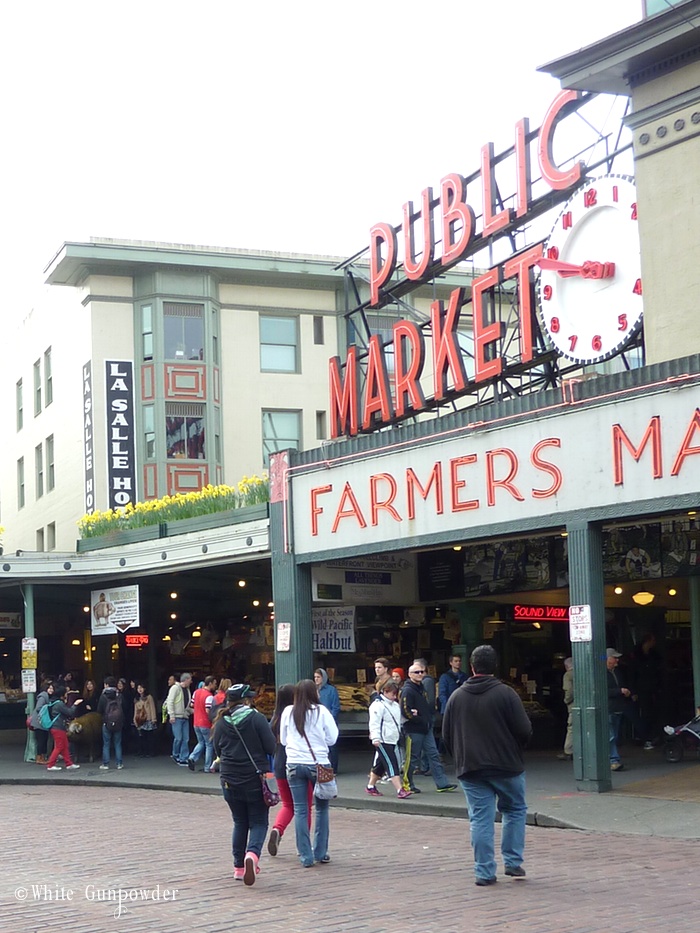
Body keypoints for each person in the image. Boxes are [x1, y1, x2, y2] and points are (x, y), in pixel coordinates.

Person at [442, 644, 532, 886]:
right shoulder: (507, 694)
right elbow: (524, 730)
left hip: (470, 768)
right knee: (514, 810)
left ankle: (484, 872)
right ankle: (512, 861)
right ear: (495, 666)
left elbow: (446, 734)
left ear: (471, 667)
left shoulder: (457, 696)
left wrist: (459, 757)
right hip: (506, 765)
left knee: (480, 819)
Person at [213, 683, 276, 885]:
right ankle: (252, 855)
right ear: (245, 700)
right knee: (258, 821)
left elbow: (218, 750)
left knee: (239, 821)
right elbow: (271, 747)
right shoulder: (256, 718)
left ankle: (239, 867)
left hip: (229, 779)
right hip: (254, 778)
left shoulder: (222, 721)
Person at [280, 679, 339, 868]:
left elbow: (282, 739)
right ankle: (320, 852)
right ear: (315, 693)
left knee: (300, 809)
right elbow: (332, 738)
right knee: (322, 808)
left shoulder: (288, 712)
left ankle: (305, 856)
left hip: (294, 764)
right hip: (319, 764)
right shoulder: (322, 712)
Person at [268, 684, 312, 859]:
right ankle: (304, 846)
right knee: (305, 807)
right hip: (298, 761)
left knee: (288, 805)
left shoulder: (275, 719)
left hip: (279, 764)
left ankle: (277, 829)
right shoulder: (297, 715)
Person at [400, 663, 457, 794]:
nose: (420, 674)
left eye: (422, 672)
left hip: (426, 728)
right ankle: (407, 784)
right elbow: (405, 710)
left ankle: (442, 784)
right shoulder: (408, 690)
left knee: (434, 755)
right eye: (416, 672)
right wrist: (418, 718)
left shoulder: (421, 688)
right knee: (412, 758)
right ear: (409, 674)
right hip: (413, 730)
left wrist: (423, 718)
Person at [365, 680, 412, 799]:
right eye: (393, 693)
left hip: (392, 739)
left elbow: (399, 720)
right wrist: (375, 737)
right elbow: (374, 723)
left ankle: (371, 786)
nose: (395, 696)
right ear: (385, 692)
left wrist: (411, 714)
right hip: (382, 740)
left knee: (380, 765)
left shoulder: (395, 705)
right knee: (392, 764)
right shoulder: (377, 705)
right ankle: (399, 789)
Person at [606, 648, 645, 771]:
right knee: (611, 735)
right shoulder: (601, 674)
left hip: (617, 707)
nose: (617, 660)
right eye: (614, 658)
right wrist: (620, 691)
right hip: (609, 708)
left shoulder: (617, 672)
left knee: (614, 735)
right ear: (608, 659)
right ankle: (613, 760)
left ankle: (609, 758)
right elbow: (603, 691)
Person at [45, 685, 83, 771]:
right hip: (58, 727)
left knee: (65, 745)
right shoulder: (59, 704)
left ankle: (68, 763)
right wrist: (75, 704)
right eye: (66, 693)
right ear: (62, 694)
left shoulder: (53, 702)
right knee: (59, 747)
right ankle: (51, 765)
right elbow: (70, 712)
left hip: (56, 727)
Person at [188, 675, 218, 772]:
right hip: (205, 723)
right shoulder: (209, 696)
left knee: (201, 742)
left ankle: (192, 757)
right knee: (209, 744)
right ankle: (207, 767)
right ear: (210, 683)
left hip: (196, 722)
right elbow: (208, 710)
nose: (215, 686)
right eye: (214, 684)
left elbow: (192, 704)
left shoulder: (196, 692)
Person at [314, 668, 340, 772]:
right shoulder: (313, 690)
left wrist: (331, 720)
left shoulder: (331, 690)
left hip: (329, 721)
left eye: (318, 677)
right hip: (316, 722)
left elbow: (336, 707)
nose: (316, 679)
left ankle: (333, 768)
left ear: (323, 678)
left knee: (332, 745)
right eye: (315, 677)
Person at [98, 676, 124, 770]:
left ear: (106, 685)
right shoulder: (119, 695)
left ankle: (105, 764)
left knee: (106, 743)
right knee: (117, 743)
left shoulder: (103, 695)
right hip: (118, 722)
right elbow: (123, 707)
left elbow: (99, 710)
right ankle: (119, 763)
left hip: (106, 722)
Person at [167, 672, 193, 766]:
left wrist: (191, 711)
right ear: (186, 680)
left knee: (185, 738)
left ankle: (183, 758)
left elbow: (186, 704)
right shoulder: (175, 688)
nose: (191, 681)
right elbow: (170, 701)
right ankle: (175, 754)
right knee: (178, 738)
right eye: (190, 679)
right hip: (177, 717)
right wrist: (172, 715)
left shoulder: (187, 690)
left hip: (184, 716)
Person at [30, 679, 54, 765]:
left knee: (44, 739)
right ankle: (39, 758)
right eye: (50, 688)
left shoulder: (46, 697)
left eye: (52, 688)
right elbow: (38, 708)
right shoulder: (43, 696)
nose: (51, 690)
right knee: (41, 740)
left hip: (42, 723)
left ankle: (42, 757)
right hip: (39, 722)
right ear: (46, 689)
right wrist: (47, 710)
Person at [133, 682, 158, 758]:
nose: (140, 689)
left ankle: (150, 751)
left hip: (149, 719)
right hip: (141, 720)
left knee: (150, 736)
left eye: (141, 688)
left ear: (144, 688)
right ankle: (143, 751)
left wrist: (154, 718)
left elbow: (152, 708)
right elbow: (135, 711)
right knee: (142, 737)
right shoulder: (136, 699)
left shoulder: (149, 697)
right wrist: (135, 720)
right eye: (138, 688)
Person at [557, 658, 574, 761]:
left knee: (571, 728)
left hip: (573, 705)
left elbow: (569, 690)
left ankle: (569, 750)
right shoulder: (583, 673)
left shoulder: (568, 675)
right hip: (585, 704)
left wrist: (566, 700)